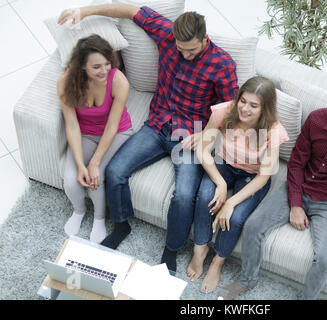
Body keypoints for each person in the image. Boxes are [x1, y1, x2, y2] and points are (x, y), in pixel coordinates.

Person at [58, 4, 238, 273]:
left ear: (204, 38)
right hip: (156, 125)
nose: (185, 55)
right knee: (116, 171)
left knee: (184, 195)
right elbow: (131, 10)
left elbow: (230, 107)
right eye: (180, 49)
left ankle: (171, 249)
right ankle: (121, 225)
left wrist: (205, 134)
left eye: (192, 49)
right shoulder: (166, 35)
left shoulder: (222, 64)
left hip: (187, 135)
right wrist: (83, 12)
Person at [219, 81, 327, 300]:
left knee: (325, 260)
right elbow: (296, 163)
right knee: (253, 226)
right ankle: (247, 280)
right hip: (300, 186)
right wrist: (295, 204)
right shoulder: (316, 120)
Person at [186, 76, 289, 293]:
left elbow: (263, 176)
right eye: (243, 101)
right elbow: (202, 150)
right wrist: (221, 184)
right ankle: (200, 249)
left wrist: (230, 202)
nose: (245, 109)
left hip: (252, 175)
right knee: (206, 197)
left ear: (265, 108)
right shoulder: (225, 111)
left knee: (236, 216)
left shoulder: (273, 131)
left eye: (254, 105)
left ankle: (218, 261)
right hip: (223, 163)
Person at [57, 34, 133, 243]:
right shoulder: (66, 83)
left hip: (117, 132)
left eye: (107, 64)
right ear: (82, 66)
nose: (104, 71)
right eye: (96, 67)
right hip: (85, 134)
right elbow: (71, 125)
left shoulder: (119, 81)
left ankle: (99, 219)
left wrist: (94, 162)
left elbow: (112, 125)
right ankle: (79, 210)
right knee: (72, 180)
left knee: (96, 175)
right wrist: (81, 164)